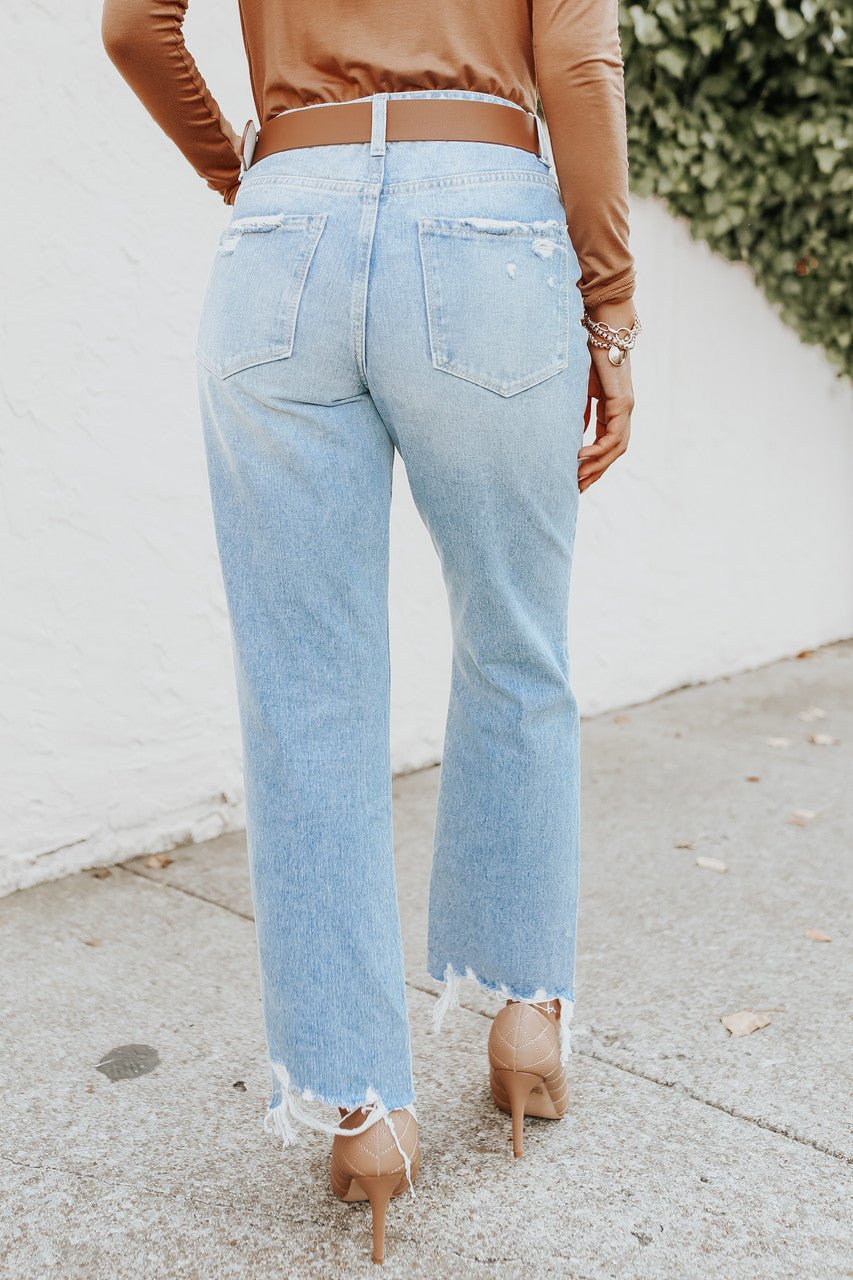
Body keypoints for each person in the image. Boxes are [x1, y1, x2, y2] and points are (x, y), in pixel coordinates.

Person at [101, 0, 639, 1263]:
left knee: (303, 691)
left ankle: (359, 1109)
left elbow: (133, 26)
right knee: (515, 643)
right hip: (484, 226)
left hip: (284, 221)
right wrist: (608, 307)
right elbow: (577, 62)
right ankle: (524, 1017)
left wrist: (254, 176)